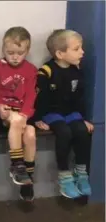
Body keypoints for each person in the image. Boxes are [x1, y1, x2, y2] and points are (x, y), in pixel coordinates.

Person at [34, 29, 93, 199]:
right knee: (64, 132)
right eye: (76, 49)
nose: (82, 52)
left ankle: (81, 173)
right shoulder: (46, 71)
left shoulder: (76, 70)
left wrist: (84, 119)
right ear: (60, 53)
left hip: (71, 113)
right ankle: (64, 175)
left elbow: (79, 98)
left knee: (82, 131)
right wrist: (37, 118)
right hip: (52, 113)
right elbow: (40, 97)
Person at [0, 26, 38, 201]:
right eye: (10, 52)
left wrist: (25, 114)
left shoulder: (31, 70)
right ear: (3, 49)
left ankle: (28, 180)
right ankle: (16, 165)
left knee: (31, 134)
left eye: (20, 53)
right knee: (16, 120)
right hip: (3, 113)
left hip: (21, 114)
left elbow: (31, 95)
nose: (15, 57)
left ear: (27, 50)